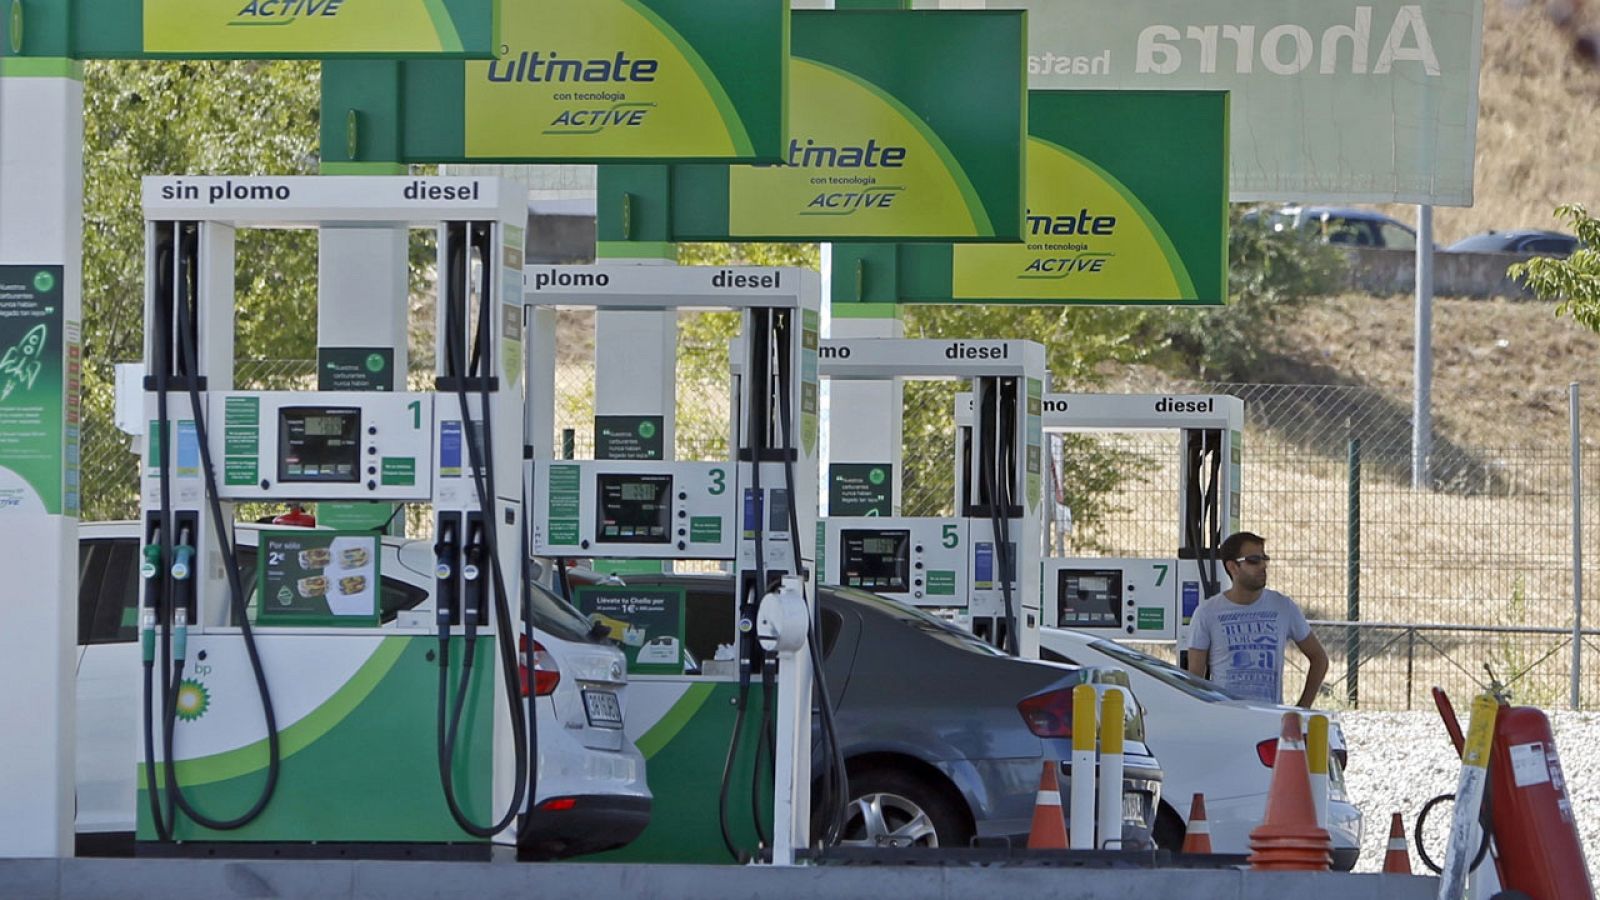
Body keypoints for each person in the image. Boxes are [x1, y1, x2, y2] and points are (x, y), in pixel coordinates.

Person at [1184, 531, 1328, 708]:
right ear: (1233, 567)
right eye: (1254, 560)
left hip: (1269, 719)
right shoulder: (1207, 613)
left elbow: (1319, 658)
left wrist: (1301, 709)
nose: (1263, 566)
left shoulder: (1283, 606)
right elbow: (1195, 678)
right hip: (1225, 719)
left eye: (1264, 559)